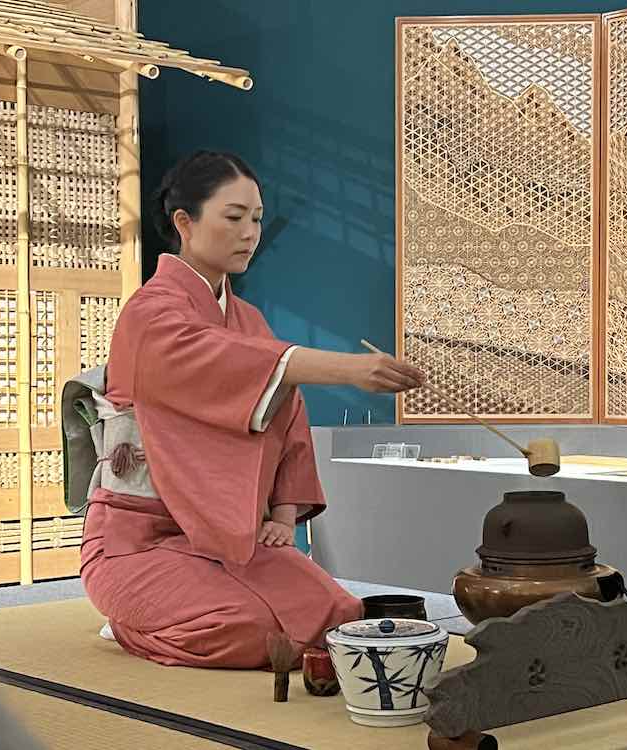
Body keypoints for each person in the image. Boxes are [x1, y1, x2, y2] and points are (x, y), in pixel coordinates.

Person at [79, 150, 424, 668]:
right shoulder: (150, 315)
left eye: (257, 219)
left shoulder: (249, 321)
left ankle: (185, 603)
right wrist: (348, 369)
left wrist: (283, 514)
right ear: (184, 223)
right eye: (234, 217)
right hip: (138, 541)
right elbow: (227, 361)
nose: (250, 233)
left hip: (227, 540)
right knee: (252, 629)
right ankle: (130, 625)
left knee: (339, 616)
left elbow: (287, 412)